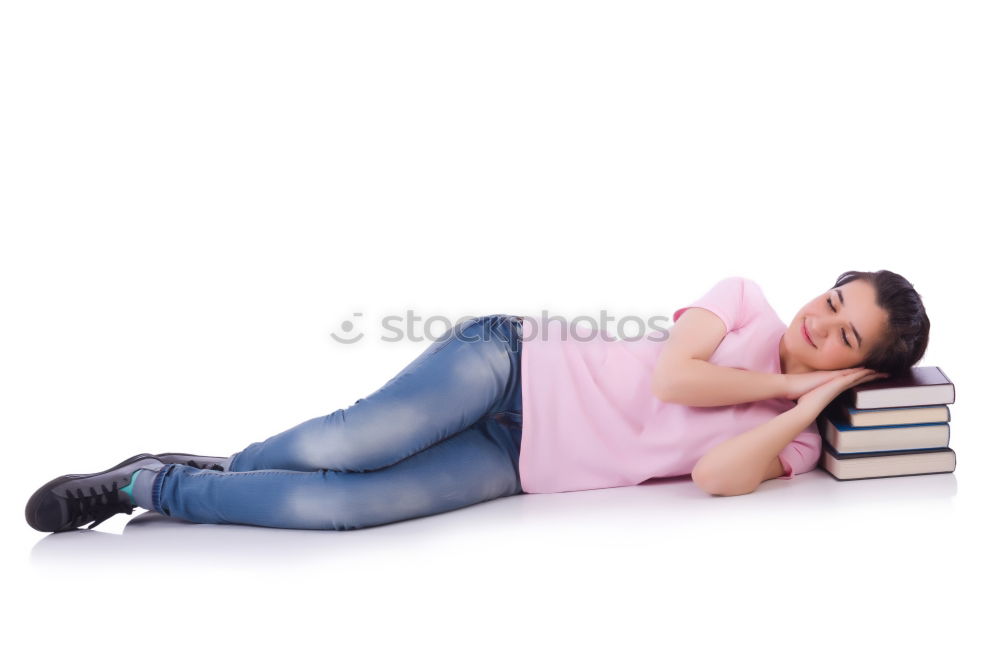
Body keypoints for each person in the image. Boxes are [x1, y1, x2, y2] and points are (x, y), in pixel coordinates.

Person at [24, 270, 930, 533]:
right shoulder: (745, 300)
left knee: (339, 506)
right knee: (347, 442)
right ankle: (179, 473)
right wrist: (787, 379)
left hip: (518, 466)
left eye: (846, 339)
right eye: (833, 303)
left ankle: (151, 484)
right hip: (514, 364)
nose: (820, 325)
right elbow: (673, 380)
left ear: (865, 371)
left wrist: (810, 407)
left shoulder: (794, 440)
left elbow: (713, 474)